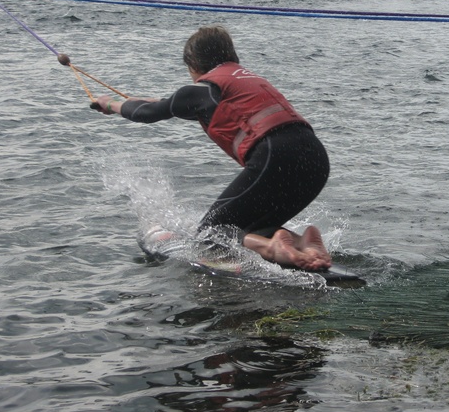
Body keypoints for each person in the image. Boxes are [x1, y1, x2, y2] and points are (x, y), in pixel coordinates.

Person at [94, 25, 332, 271]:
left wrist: (110, 104)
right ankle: (303, 243)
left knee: (211, 233)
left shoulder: (201, 89)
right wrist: (130, 101)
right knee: (248, 225)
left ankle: (273, 248)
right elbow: (167, 104)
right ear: (231, 56)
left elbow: (148, 113)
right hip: (316, 159)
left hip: (276, 154)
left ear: (193, 65)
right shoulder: (242, 81)